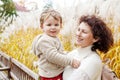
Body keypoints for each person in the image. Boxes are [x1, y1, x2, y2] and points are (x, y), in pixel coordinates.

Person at [32, 8, 80, 80]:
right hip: (51, 75)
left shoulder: (53, 38)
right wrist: (70, 61)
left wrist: (65, 53)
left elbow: (56, 51)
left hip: (54, 72)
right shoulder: (44, 41)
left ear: (61, 26)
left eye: (56, 24)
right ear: (42, 26)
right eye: (49, 25)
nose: (53, 27)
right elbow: (53, 56)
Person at [63, 15, 113, 80]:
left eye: (84, 32)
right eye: (78, 30)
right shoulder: (75, 53)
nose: (78, 34)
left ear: (95, 38)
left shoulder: (93, 61)